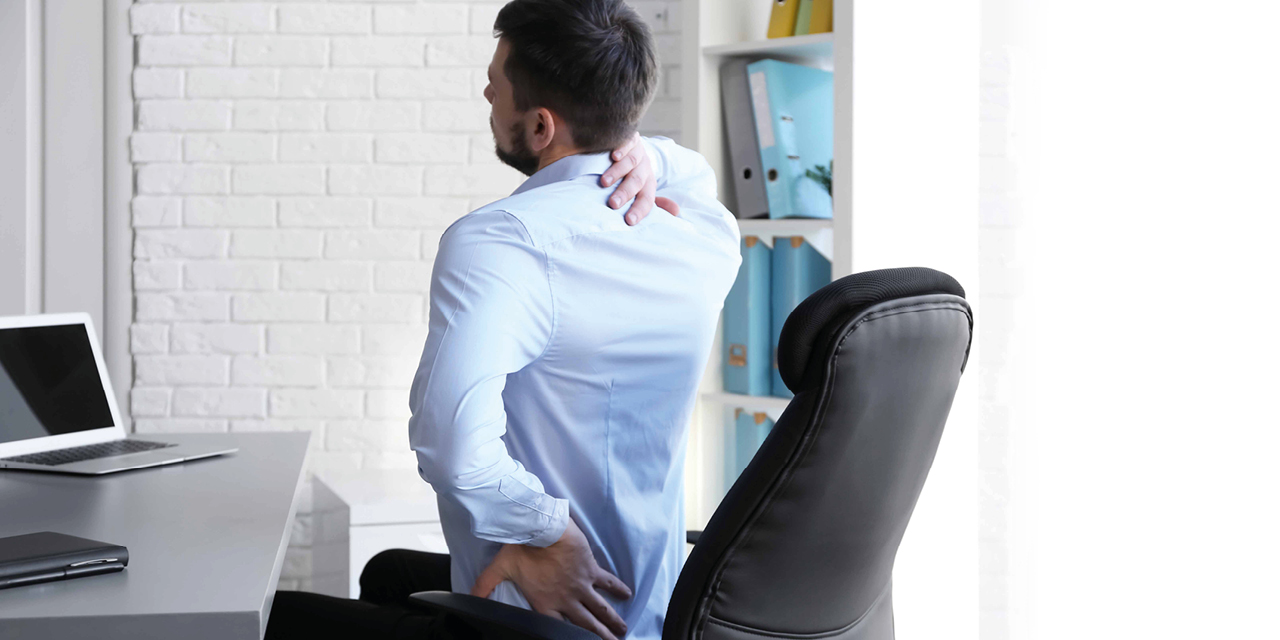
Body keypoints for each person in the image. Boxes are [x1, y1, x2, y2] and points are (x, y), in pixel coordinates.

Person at [266, 1, 739, 638]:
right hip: (653, 605)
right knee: (387, 574)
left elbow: (454, 447)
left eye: (497, 84)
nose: (486, 91)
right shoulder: (705, 237)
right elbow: (699, 173)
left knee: (274, 615)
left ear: (540, 126)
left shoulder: (504, 241)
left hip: (538, 614)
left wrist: (546, 533)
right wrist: (646, 152)